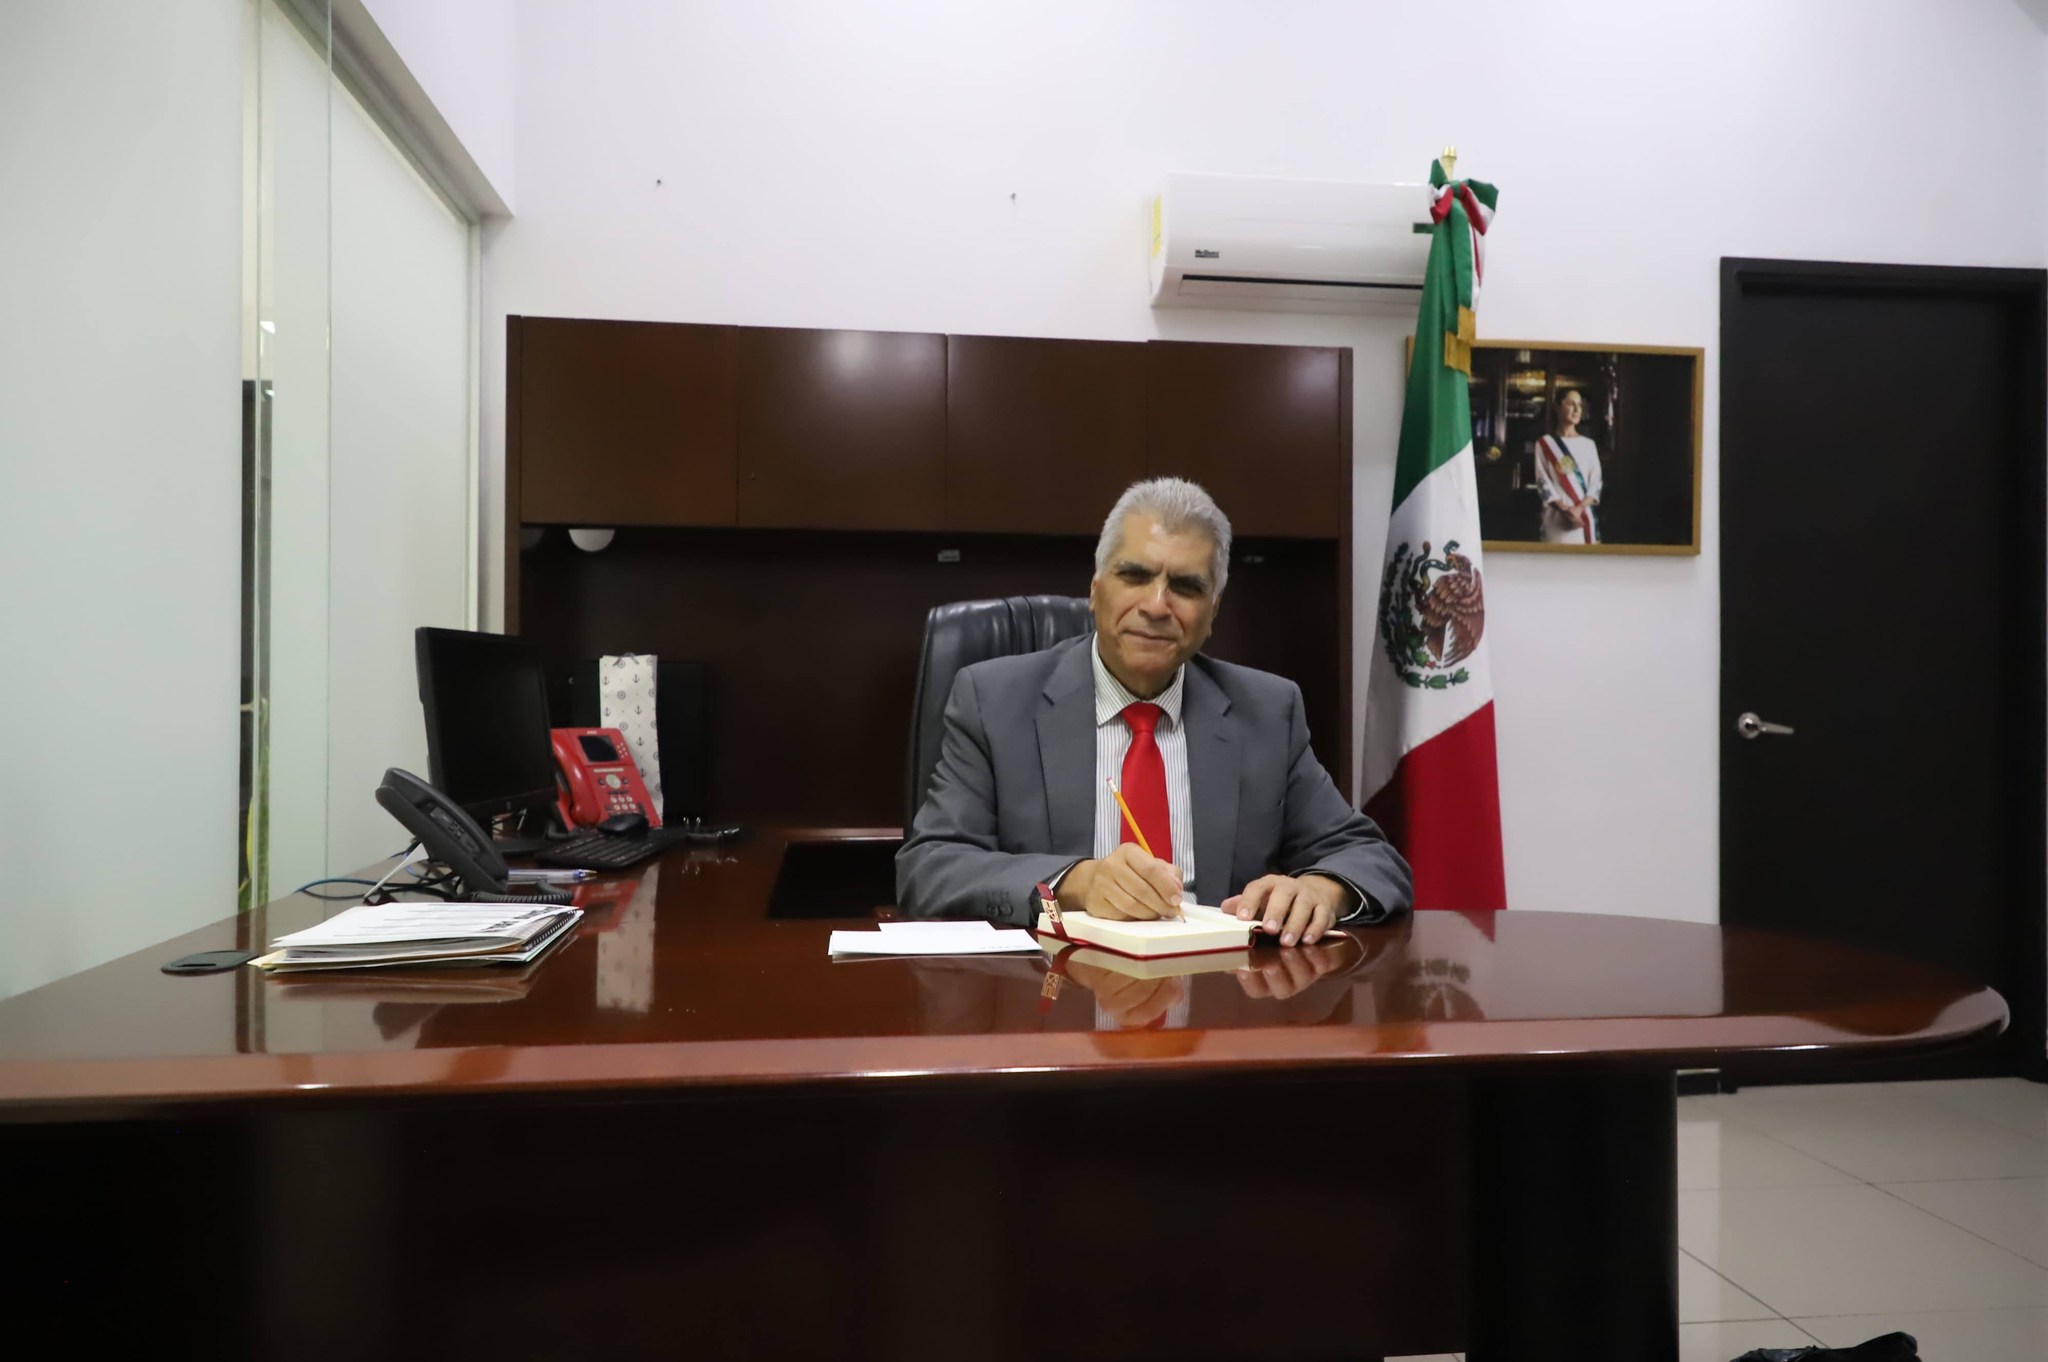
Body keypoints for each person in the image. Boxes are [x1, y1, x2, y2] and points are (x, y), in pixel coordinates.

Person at [895, 477, 1412, 948]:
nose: (1157, 605)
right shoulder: (993, 701)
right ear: (1095, 591)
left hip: (1219, 995)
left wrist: (1323, 889)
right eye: (1135, 575)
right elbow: (931, 868)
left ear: (1212, 613)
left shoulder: (1266, 712)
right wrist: (1074, 883)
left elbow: (1370, 857)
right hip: (1055, 993)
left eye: (1186, 587)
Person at [1534, 388, 1603, 544]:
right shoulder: (1545, 444)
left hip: (1583, 518)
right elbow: (1543, 482)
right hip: (1556, 519)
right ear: (1558, 407)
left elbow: (1596, 483)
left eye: (1580, 405)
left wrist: (1578, 509)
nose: (1577, 410)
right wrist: (1565, 510)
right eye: (1571, 404)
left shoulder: (1588, 445)